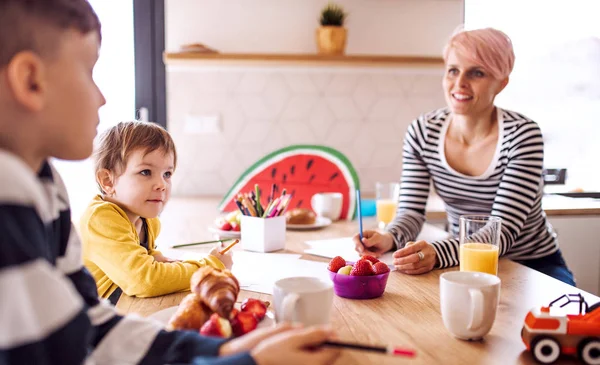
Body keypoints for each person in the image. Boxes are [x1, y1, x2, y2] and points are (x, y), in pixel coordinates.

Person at [0, 0, 340, 364]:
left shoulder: (46, 186)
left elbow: (92, 328)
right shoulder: (9, 195)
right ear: (31, 80)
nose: (102, 98)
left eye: (166, 173)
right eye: (88, 71)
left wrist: (219, 349)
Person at [353, 27, 575, 286]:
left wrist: (438, 253)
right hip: (462, 261)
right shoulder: (423, 132)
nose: (460, 84)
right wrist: (389, 237)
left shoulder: (523, 135)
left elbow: (502, 231)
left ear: (501, 83)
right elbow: (411, 211)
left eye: (477, 73)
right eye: (453, 70)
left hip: (532, 266)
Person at [79, 121, 232, 304]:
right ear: (108, 181)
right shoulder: (100, 219)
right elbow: (144, 280)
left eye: (167, 174)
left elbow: (148, 257)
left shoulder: (146, 219)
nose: (161, 184)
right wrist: (210, 266)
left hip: (124, 303)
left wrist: (168, 262)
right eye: (145, 172)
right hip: (94, 320)